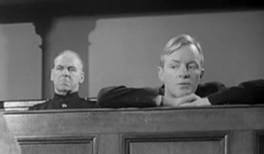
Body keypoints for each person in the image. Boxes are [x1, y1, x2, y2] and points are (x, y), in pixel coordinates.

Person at [98, 34, 264, 108]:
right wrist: (165, 102)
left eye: (191, 66)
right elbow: (105, 96)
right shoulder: (151, 96)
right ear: (161, 73)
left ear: (201, 74)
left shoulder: (213, 92)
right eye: (174, 66)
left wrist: (206, 102)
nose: (184, 73)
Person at [29, 51, 97, 110]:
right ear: (52, 75)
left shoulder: (95, 110)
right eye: (60, 68)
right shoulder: (36, 111)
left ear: (81, 77)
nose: (65, 73)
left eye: (71, 69)